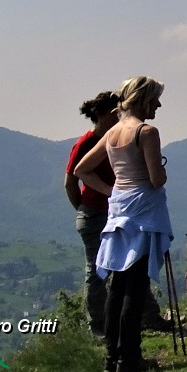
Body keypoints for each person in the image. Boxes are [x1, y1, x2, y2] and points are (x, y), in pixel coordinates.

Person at [72, 76, 172, 372]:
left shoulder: (113, 132)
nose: (158, 104)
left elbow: (81, 170)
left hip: (118, 212)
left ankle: (112, 356)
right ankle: (131, 359)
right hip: (143, 213)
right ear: (143, 99)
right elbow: (156, 180)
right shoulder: (147, 132)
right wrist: (162, 171)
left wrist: (111, 191)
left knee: (117, 286)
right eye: (154, 99)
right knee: (135, 287)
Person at [64, 91, 119, 335]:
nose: (118, 117)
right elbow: (70, 182)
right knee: (98, 272)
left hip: (110, 212)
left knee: (116, 269)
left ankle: (110, 323)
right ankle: (98, 326)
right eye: (113, 113)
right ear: (100, 114)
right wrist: (85, 210)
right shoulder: (85, 143)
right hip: (95, 214)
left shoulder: (115, 139)